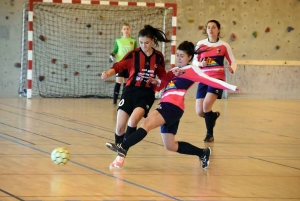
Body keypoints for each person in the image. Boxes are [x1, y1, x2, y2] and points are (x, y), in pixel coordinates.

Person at [105, 41, 242, 169]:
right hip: (172, 108)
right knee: (171, 146)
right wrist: (156, 82)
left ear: (189, 57)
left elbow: (211, 81)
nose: (179, 58)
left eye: (182, 56)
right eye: (177, 55)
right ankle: (202, 153)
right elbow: (162, 86)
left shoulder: (193, 70)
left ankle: (123, 147)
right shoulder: (175, 70)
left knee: (146, 125)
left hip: (171, 106)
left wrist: (231, 87)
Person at [101, 25, 173, 169]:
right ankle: (120, 153)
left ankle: (122, 154)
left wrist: (166, 79)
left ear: (152, 41)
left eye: (146, 43)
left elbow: (162, 76)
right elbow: (120, 65)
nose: (143, 46)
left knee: (133, 120)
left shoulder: (158, 56)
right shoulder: (134, 54)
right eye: (141, 43)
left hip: (146, 93)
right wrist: (109, 73)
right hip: (130, 91)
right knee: (120, 126)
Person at [193, 20, 237, 142]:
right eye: (208, 27)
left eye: (213, 27)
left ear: (218, 30)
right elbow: (193, 61)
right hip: (203, 78)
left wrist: (232, 68)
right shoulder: (200, 44)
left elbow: (233, 61)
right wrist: (200, 63)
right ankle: (212, 116)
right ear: (206, 30)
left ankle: (209, 135)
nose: (210, 29)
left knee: (206, 105)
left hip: (217, 79)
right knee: (200, 112)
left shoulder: (224, 46)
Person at [110, 23, 138, 105]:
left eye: (127, 29)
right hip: (120, 64)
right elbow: (115, 50)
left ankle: (123, 100)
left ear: (130, 30)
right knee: (118, 81)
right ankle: (114, 101)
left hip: (129, 65)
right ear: (121, 30)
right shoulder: (118, 40)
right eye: (124, 29)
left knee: (127, 83)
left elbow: (136, 52)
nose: (126, 30)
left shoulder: (133, 41)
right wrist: (111, 55)